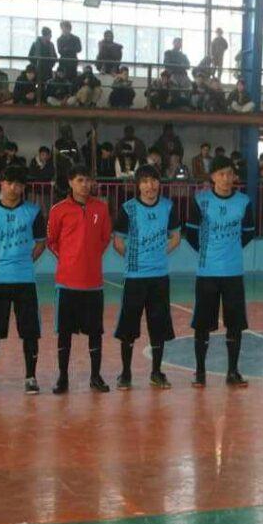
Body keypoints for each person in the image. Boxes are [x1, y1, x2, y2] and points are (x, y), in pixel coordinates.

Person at [183, 155, 256, 387]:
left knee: (235, 324)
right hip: (207, 273)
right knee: (202, 324)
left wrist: (230, 249)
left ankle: (232, 372)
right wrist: (209, 252)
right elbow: (192, 234)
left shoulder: (244, 201)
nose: (226, 179)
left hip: (233, 272)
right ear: (212, 176)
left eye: (229, 174)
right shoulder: (200, 200)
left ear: (235, 177)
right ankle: (200, 372)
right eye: (221, 174)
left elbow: (249, 232)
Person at [0, 165, 47, 393]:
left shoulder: (33, 212)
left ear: (23, 187)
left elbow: (40, 243)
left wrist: (25, 261)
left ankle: (30, 377)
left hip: (25, 280)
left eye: (18, 184)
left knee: (29, 331)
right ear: (1, 184)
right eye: (8, 183)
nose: (13, 188)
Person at [112, 165, 181, 389]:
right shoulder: (128, 209)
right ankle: (125, 373)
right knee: (128, 327)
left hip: (160, 276)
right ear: (138, 185)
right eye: (145, 181)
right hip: (135, 277)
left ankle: (157, 372)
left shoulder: (168, 207)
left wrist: (161, 253)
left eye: (153, 181)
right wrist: (134, 258)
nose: (150, 186)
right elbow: (118, 242)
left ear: (159, 183)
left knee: (158, 326)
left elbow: (176, 237)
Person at [47, 165, 112, 394]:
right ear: (70, 182)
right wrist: (68, 258)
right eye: (80, 180)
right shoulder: (58, 210)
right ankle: (62, 378)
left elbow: (105, 239)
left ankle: (95, 377)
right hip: (67, 283)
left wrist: (90, 257)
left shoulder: (101, 209)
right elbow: (51, 240)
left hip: (93, 283)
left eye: (88, 181)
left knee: (95, 333)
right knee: (65, 333)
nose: (85, 185)